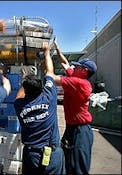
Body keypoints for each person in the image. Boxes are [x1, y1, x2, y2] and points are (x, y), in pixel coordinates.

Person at [14, 42, 65, 175]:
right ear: (41, 89)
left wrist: (25, 78)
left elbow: (19, 96)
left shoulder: (20, 106)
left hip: (32, 156)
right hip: (52, 155)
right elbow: (50, 72)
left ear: (25, 89)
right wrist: (47, 52)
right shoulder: (49, 97)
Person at [53, 40, 97, 174]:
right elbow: (65, 63)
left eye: (77, 67)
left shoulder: (80, 83)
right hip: (72, 128)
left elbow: (52, 78)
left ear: (84, 71)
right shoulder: (76, 76)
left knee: (79, 168)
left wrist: (46, 58)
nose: (74, 68)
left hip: (80, 131)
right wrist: (57, 49)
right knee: (68, 163)